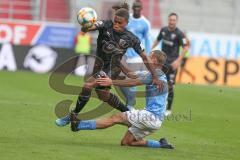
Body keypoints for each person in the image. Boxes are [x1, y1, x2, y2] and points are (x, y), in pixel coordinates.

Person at [55, 2, 163, 127]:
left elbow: (144, 57)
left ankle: (72, 115)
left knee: (88, 85)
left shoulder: (131, 38)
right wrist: (85, 26)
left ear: (127, 23)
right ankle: (129, 113)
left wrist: (155, 76)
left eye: (120, 23)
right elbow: (90, 28)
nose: (116, 25)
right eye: (115, 21)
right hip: (99, 66)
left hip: (113, 69)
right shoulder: (106, 25)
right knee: (104, 95)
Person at [70, 50, 174, 149]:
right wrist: (118, 61)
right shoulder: (152, 73)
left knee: (117, 117)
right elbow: (131, 75)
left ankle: (79, 125)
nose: (145, 59)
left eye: (149, 57)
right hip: (155, 120)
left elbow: (133, 83)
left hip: (151, 116)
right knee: (126, 142)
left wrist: (111, 82)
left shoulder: (157, 74)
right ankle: (160, 144)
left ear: (154, 60)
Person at [151, 13, 188, 116]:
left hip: (173, 64)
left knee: (170, 85)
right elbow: (157, 40)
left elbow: (185, 48)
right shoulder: (163, 30)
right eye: (170, 20)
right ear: (168, 20)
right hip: (162, 62)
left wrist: (178, 60)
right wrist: (151, 50)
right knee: (158, 83)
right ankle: (158, 104)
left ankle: (168, 109)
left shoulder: (179, 34)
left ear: (176, 21)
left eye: (174, 20)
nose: (172, 22)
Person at [119, 0, 151, 110]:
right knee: (120, 81)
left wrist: (147, 55)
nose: (136, 8)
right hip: (123, 54)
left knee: (132, 81)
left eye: (138, 6)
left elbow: (147, 39)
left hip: (136, 57)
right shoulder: (128, 19)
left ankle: (130, 106)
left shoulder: (145, 23)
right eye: (135, 6)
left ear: (141, 8)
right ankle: (130, 101)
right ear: (132, 8)